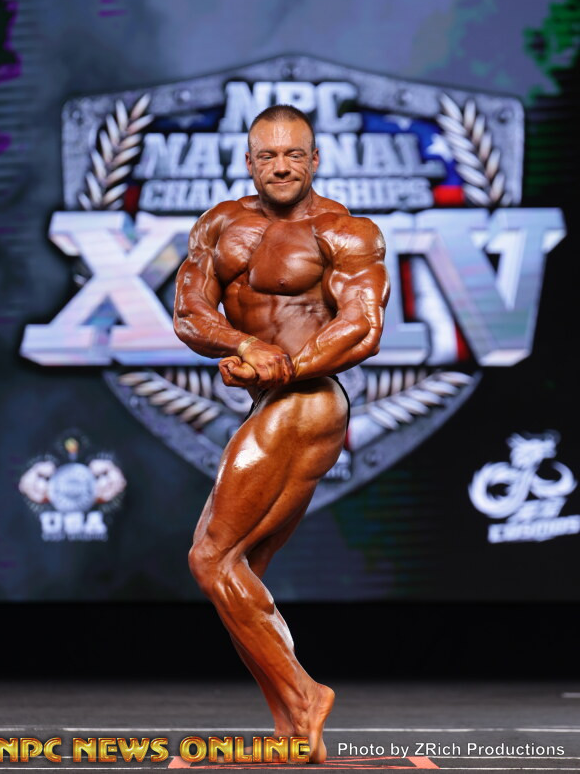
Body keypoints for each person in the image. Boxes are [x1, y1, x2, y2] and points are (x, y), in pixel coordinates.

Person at [173, 104, 390, 763]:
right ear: (248, 162)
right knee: (240, 574)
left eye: (295, 153)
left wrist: (287, 365)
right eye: (268, 155)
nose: (282, 166)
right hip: (269, 401)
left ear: (315, 160)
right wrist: (244, 345)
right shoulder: (220, 224)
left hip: (310, 400)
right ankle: (294, 736)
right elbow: (189, 312)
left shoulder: (345, 232)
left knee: (211, 559)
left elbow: (362, 327)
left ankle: (306, 697)